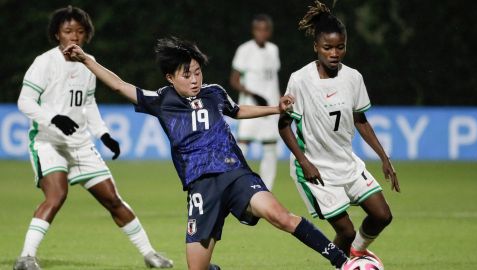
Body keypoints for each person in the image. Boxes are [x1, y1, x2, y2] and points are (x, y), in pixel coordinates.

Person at [63, 36, 352, 270]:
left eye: (198, 72)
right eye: (186, 74)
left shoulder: (214, 92)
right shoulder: (162, 100)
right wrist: (88, 59)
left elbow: (237, 111)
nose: (194, 79)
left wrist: (276, 108)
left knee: (280, 216)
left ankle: (343, 261)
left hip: (234, 174)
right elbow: (118, 85)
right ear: (170, 77)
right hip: (201, 186)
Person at [14, 6, 173, 270]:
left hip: (80, 143)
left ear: (87, 36)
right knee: (57, 195)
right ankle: (26, 257)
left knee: (112, 198)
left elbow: (88, 103)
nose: (74, 37)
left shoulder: (89, 64)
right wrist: (54, 118)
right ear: (57, 35)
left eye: (80, 32)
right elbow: (25, 102)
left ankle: (150, 254)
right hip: (48, 141)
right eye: (68, 31)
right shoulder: (44, 63)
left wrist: (104, 134)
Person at [278, 1, 401, 265]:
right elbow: (284, 125)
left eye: (340, 47)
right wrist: (304, 161)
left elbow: (360, 120)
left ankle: (356, 254)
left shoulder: (353, 78)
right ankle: (344, 262)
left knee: (382, 215)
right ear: (316, 47)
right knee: (345, 231)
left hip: (346, 162)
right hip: (316, 169)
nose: (334, 53)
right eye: (327, 47)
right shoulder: (300, 79)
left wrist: (384, 157)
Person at [230, 14, 281, 190]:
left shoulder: (273, 50)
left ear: (270, 31)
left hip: (270, 108)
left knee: (270, 148)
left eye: (265, 29)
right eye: (258, 29)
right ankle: (238, 184)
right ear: (253, 31)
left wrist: (279, 102)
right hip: (250, 107)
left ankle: (267, 189)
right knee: (243, 145)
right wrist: (253, 94)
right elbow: (234, 80)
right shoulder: (245, 50)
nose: (262, 33)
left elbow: (273, 79)